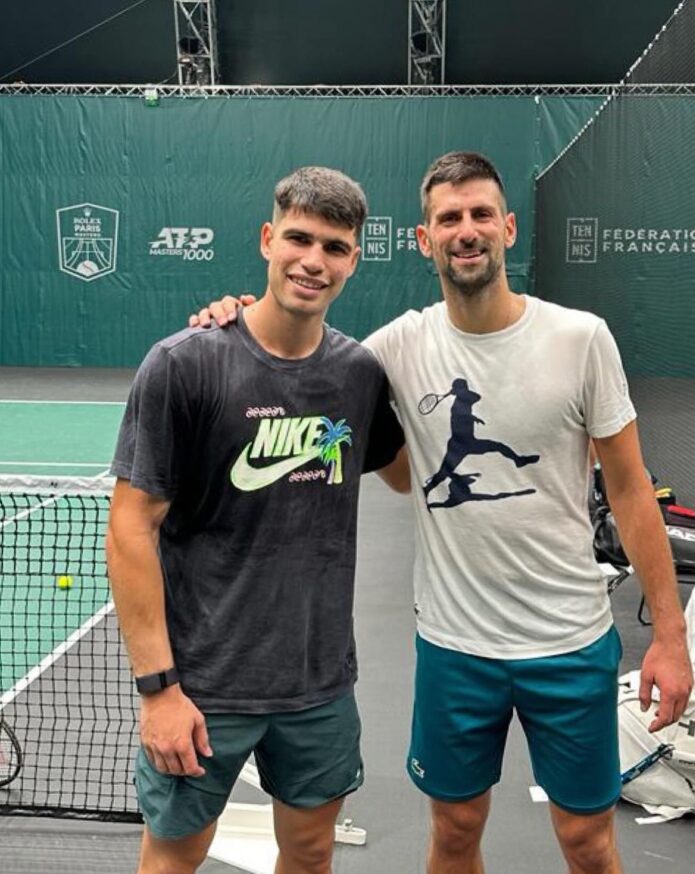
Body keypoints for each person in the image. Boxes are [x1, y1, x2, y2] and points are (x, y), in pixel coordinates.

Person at [191, 151, 693, 874]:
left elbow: (632, 491)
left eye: (481, 214)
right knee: (455, 834)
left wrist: (669, 638)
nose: (467, 230)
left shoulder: (582, 339)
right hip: (456, 648)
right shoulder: (395, 349)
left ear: (508, 229)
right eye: (448, 218)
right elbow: (297, 361)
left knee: (587, 843)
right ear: (424, 240)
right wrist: (235, 318)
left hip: (571, 643)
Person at [106, 166, 406, 874]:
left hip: (320, 682)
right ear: (268, 240)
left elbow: (402, 469)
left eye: (335, 247)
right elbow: (130, 528)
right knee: (174, 858)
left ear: (354, 260)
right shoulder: (184, 365)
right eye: (299, 239)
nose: (313, 261)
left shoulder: (360, 376)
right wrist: (159, 691)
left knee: (308, 854)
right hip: (204, 687)